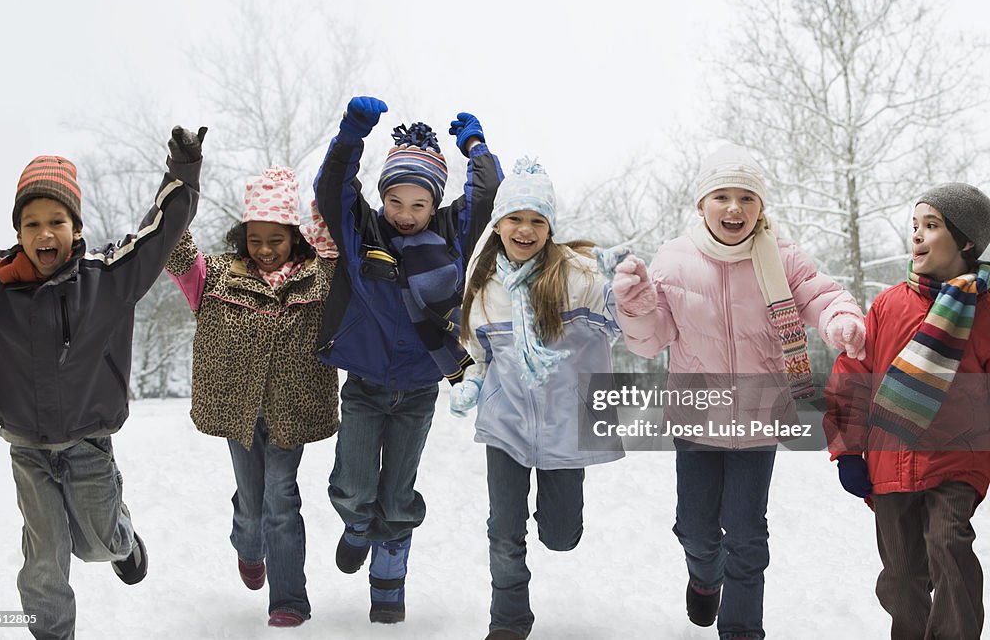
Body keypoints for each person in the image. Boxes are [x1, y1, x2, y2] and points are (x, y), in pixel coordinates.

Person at [612, 144, 865, 640]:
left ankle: (742, 630)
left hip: (758, 417)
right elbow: (651, 339)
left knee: (747, 536)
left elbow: (821, 294)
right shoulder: (674, 259)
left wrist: (841, 321)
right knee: (697, 531)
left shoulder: (783, 257)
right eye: (722, 196)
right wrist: (636, 304)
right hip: (697, 419)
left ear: (761, 208)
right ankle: (704, 580)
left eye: (746, 198)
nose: (734, 208)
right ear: (701, 205)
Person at [0, 126, 205, 639]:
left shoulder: (107, 278)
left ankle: (124, 540)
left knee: (97, 542)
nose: (44, 233)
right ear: (19, 231)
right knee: (45, 556)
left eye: (56, 221)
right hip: (26, 446)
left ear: (76, 227)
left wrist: (183, 172)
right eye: (31, 223)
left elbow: (158, 233)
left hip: (88, 443)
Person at [312, 95, 502, 623]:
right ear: (383, 198)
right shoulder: (364, 232)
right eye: (396, 201)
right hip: (366, 384)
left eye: (419, 205)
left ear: (434, 205)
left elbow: (486, 194)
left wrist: (476, 148)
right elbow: (332, 187)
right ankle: (354, 525)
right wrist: (352, 134)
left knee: (396, 498)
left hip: (419, 389)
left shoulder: (451, 236)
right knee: (354, 487)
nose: (406, 215)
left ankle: (389, 587)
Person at [450, 157, 626, 640]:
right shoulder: (484, 285)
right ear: (499, 224)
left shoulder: (579, 275)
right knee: (503, 531)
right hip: (505, 423)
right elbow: (479, 354)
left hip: (566, 425)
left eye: (536, 220)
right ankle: (508, 620)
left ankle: (561, 525)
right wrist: (470, 384)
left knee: (560, 535)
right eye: (515, 219)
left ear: (549, 227)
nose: (525, 230)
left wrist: (625, 288)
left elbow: (624, 322)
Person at [165, 165, 338, 628]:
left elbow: (337, 244)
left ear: (295, 236)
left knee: (281, 498)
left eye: (276, 240)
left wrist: (330, 185)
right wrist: (180, 178)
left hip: (292, 408)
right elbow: (174, 247)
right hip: (236, 407)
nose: (264, 249)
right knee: (251, 498)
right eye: (255, 239)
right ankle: (248, 544)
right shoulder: (217, 276)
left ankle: (288, 600)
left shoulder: (317, 278)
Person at [824, 183, 990, 640]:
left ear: (967, 242)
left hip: (959, 459)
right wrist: (847, 450)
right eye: (915, 225)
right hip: (890, 462)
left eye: (931, 226)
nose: (916, 235)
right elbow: (852, 376)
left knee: (949, 542)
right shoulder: (889, 306)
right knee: (901, 576)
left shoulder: (985, 310)